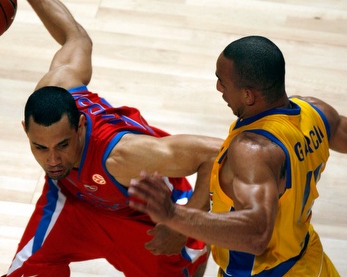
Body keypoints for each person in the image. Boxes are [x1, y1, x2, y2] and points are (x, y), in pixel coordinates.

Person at [0, 0, 223, 277]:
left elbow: (217, 153)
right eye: (40, 148)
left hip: (140, 214)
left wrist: (186, 222)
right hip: (74, 200)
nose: (52, 159)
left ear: (81, 126)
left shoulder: (124, 155)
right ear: (25, 131)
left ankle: (194, 248)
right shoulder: (55, 84)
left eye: (62, 144)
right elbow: (75, 38)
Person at [128, 35, 347, 276]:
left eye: (222, 82)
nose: (219, 88)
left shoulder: (252, 150)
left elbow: (256, 234)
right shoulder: (316, 111)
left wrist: (174, 215)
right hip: (309, 258)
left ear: (248, 96)